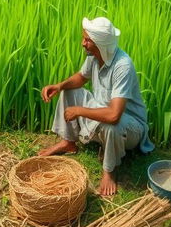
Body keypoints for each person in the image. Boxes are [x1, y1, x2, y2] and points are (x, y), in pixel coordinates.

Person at [38, 17, 155, 196]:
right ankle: (69, 142)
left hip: (130, 126)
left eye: (87, 40)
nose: (83, 43)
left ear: (100, 44)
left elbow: (114, 115)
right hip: (103, 108)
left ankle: (110, 170)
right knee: (69, 91)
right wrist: (60, 85)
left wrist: (79, 111)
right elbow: (81, 78)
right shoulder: (95, 55)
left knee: (111, 124)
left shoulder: (123, 66)